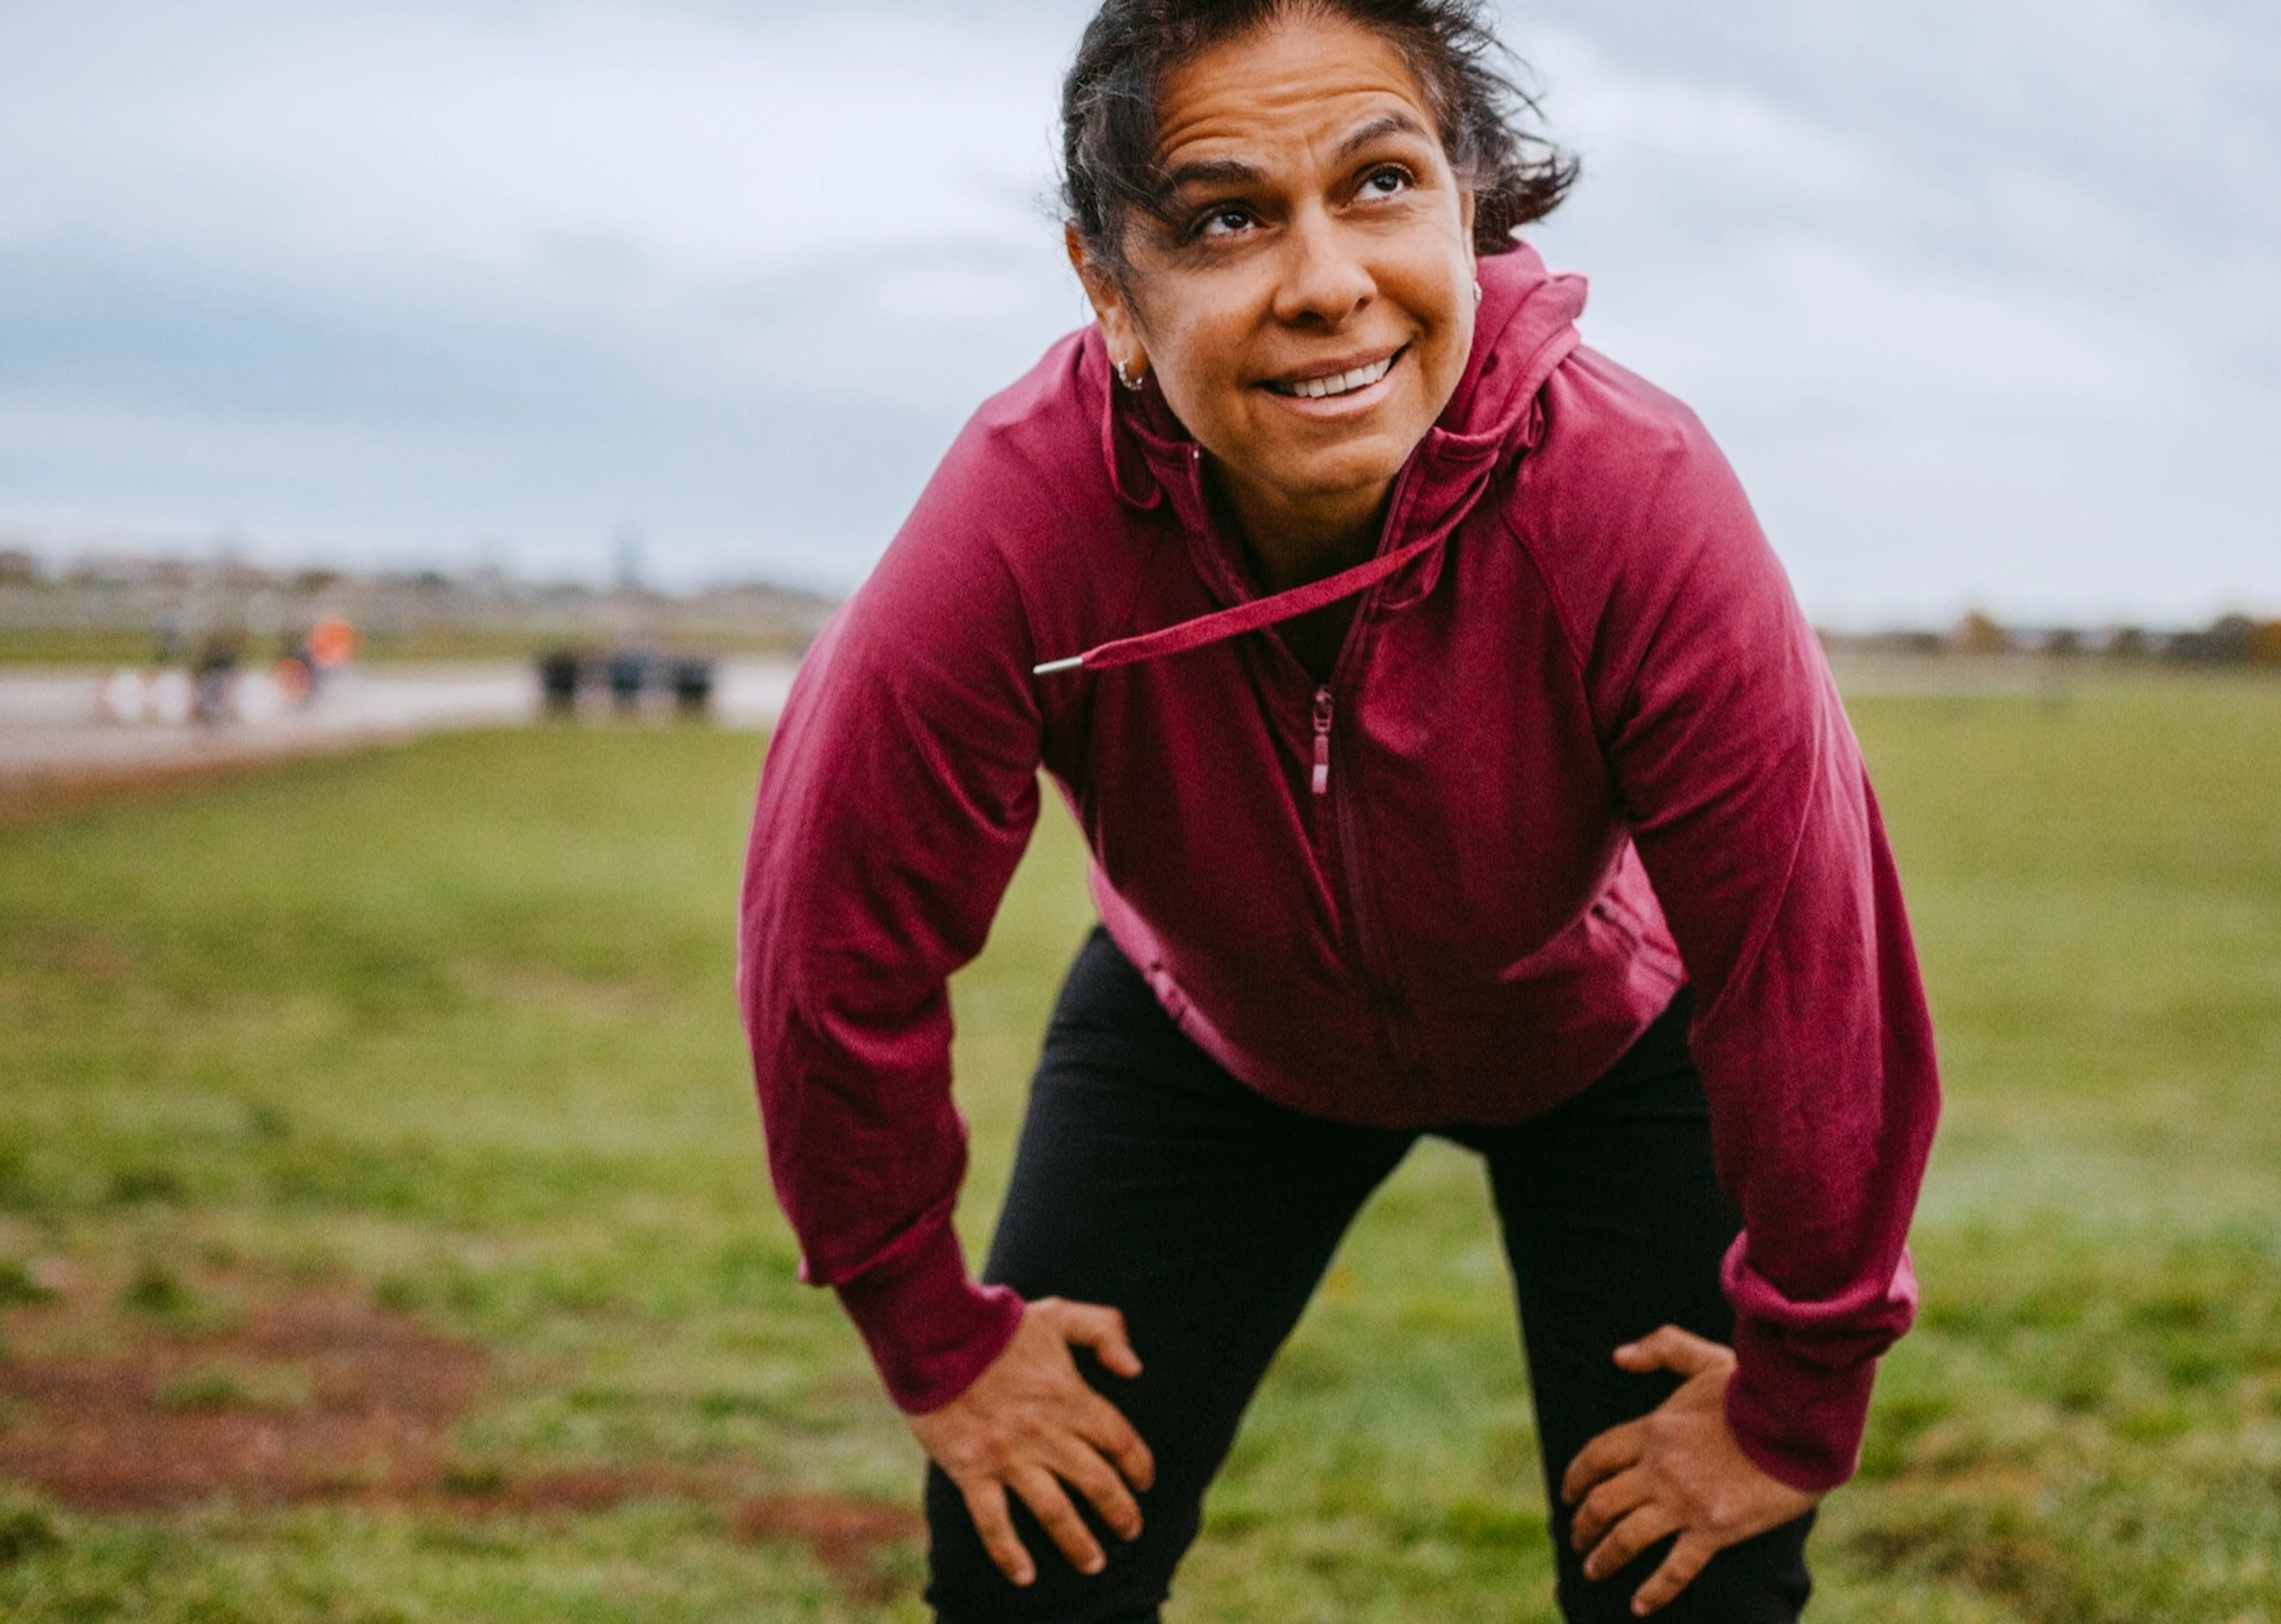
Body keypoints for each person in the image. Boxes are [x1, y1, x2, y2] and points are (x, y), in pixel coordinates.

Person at [738, 3, 1940, 1619]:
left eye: (1380, 185)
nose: (1322, 282)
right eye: (1227, 217)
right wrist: (928, 1327)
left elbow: (1809, 956)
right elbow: (834, 931)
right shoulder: (1025, 513)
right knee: (1028, 1552)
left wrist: (1802, 1387)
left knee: (1695, 1579)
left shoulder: (1632, 492)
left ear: (1470, 208)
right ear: (1109, 286)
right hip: (1210, 1031)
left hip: (1602, 1031)